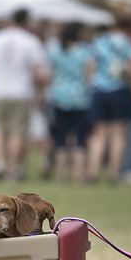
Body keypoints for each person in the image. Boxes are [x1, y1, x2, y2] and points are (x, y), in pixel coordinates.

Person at [0, 9, 49, 181]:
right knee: (17, 131)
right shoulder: (31, 41)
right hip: (21, 91)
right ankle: (14, 167)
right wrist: (39, 89)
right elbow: (36, 70)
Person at [88, 18, 131, 183]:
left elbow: (90, 67)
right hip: (120, 90)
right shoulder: (128, 43)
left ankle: (93, 172)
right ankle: (113, 173)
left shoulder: (99, 41)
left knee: (98, 134)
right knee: (118, 134)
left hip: (99, 90)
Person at [47, 22, 94, 183]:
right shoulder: (84, 52)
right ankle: (79, 174)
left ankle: (62, 175)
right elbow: (89, 75)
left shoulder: (55, 51)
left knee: (60, 138)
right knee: (80, 139)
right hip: (80, 99)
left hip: (59, 97)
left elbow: (50, 73)